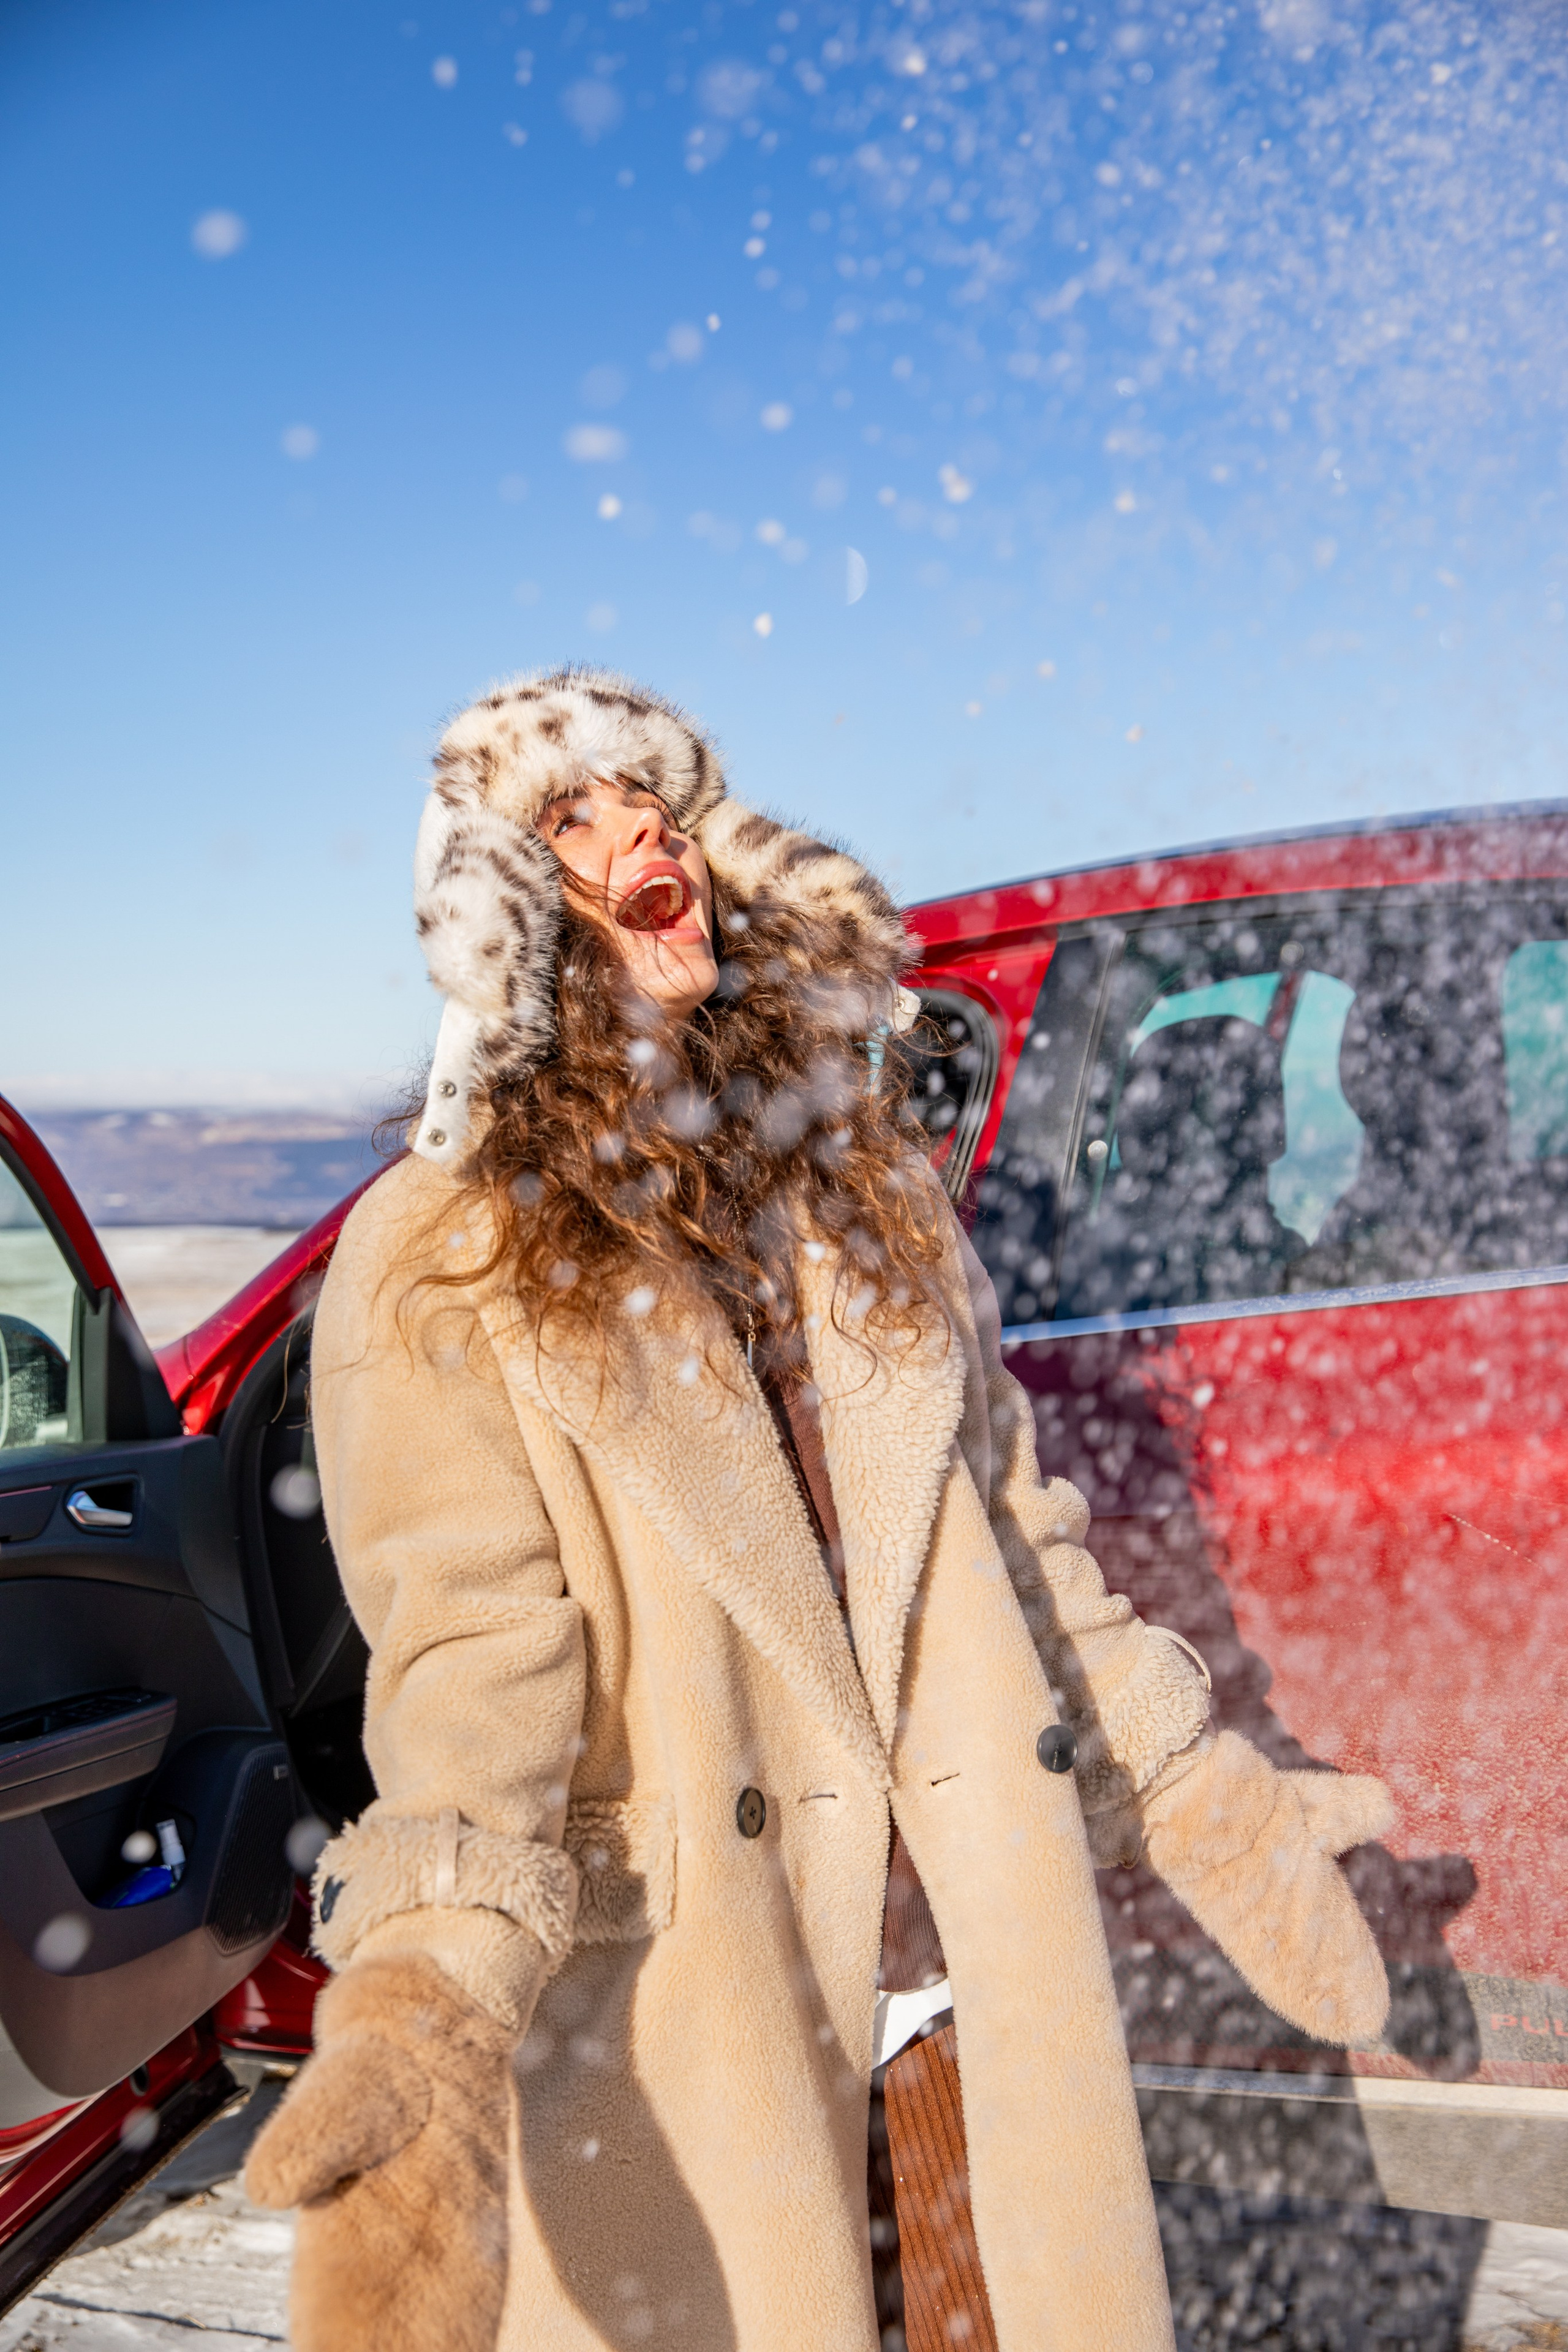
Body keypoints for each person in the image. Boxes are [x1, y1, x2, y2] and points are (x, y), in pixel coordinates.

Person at [246, 668, 1393, 2352]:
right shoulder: (443, 1249)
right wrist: (426, 2015)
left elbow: (1016, 1535)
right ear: (501, 912)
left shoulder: (865, 1189)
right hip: (712, 2036)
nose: (648, 830)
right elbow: (473, 1663)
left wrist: (1207, 1795)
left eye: (659, 801)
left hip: (966, 2005)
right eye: (576, 813)